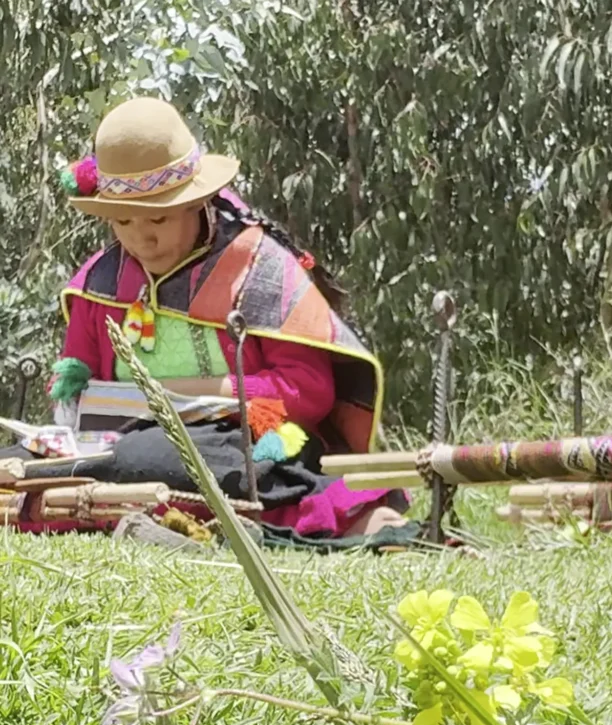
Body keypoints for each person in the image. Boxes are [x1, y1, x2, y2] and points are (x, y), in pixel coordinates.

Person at [35, 96, 407, 540]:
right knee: (24, 458)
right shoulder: (100, 282)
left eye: (158, 218)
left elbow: (308, 389)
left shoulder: (260, 270)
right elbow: (80, 389)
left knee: (150, 455)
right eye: (122, 221)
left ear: (197, 201)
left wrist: (191, 397)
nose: (142, 239)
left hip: (244, 447)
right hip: (117, 448)